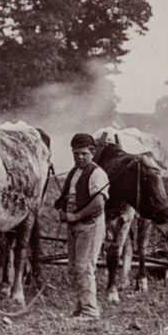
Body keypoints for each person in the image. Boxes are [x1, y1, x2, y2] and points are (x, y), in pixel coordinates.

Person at [55, 132, 111, 319]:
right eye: (76, 153)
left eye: (83, 154)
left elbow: (98, 204)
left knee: (85, 267)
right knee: (74, 267)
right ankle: (80, 307)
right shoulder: (74, 172)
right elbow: (70, 195)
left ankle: (90, 311)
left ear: (93, 152)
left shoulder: (97, 174)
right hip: (75, 225)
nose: (79, 157)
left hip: (90, 226)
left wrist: (75, 215)